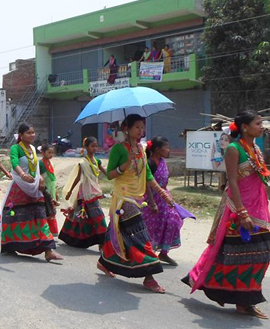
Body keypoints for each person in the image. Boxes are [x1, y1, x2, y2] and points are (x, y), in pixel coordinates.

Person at [184, 110, 270, 319]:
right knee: (238, 256)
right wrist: (242, 213)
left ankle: (243, 296)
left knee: (261, 255)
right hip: (239, 208)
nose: (262, 127)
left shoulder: (256, 148)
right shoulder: (233, 149)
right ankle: (244, 301)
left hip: (259, 207)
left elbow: (261, 177)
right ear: (244, 127)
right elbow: (232, 181)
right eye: (258, 123)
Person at [99, 114, 174, 293]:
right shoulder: (118, 149)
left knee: (120, 231)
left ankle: (104, 261)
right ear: (127, 129)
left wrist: (163, 195)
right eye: (137, 127)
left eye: (142, 127)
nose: (141, 131)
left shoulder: (140, 149)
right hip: (123, 197)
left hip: (137, 197)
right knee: (140, 233)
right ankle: (149, 277)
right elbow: (109, 175)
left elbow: (148, 175)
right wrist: (125, 164)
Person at [1, 124, 62, 260]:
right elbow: (14, 162)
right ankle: (11, 245)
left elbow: (35, 167)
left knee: (41, 217)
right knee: (15, 218)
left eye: (33, 132)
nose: (32, 135)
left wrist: (39, 178)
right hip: (20, 187)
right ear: (21, 135)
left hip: (34, 189)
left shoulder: (33, 149)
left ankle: (48, 250)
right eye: (29, 133)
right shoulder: (15, 148)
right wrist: (22, 175)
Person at [142, 136, 190, 266]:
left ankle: (164, 252)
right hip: (151, 199)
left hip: (163, 198)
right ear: (157, 149)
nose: (169, 150)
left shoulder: (162, 161)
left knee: (173, 221)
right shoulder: (150, 163)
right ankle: (149, 254)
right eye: (166, 147)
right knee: (152, 227)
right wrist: (152, 203)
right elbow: (147, 183)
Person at [60, 136, 108, 248]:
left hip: (94, 192)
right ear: (86, 147)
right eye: (92, 146)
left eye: (96, 146)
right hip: (86, 193)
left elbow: (107, 174)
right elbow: (77, 178)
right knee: (98, 216)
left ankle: (73, 239)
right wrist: (70, 191)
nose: (95, 148)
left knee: (83, 217)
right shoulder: (83, 162)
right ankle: (102, 243)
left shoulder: (97, 161)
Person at [39, 143, 60, 238]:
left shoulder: (51, 163)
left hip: (51, 189)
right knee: (45, 210)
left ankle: (52, 231)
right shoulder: (40, 164)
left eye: (52, 153)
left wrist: (55, 192)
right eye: (49, 153)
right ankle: (44, 232)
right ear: (43, 153)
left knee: (52, 210)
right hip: (44, 190)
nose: (51, 155)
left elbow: (53, 179)